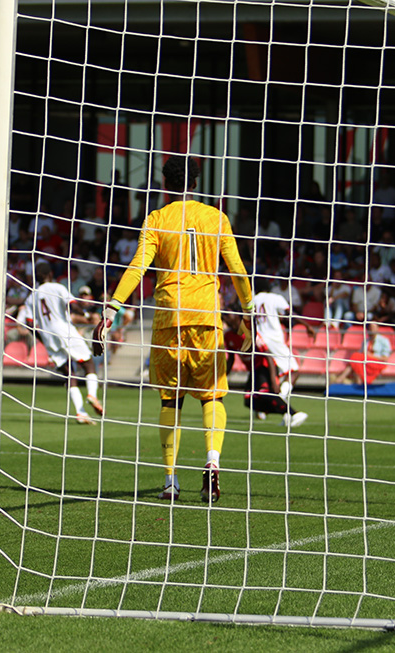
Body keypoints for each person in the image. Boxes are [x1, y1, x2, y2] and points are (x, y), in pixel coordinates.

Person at [93, 155, 254, 503]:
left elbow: (138, 267)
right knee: (213, 395)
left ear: (166, 185)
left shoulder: (157, 219)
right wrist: (248, 311)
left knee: (171, 398)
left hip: (168, 317)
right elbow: (238, 270)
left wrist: (112, 309)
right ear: (195, 183)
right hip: (206, 317)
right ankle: (212, 462)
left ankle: (170, 479)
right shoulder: (217, 218)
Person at [24, 260, 104, 425]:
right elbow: (72, 306)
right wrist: (88, 316)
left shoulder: (31, 296)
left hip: (48, 336)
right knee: (88, 363)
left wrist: (42, 339)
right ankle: (92, 395)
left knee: (68, 374)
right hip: (63, 329)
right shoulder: (57, 287)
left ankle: (80, 412)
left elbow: (29, 323)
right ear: (50, 274)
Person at [251, 277, 307, 428]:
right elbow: (290, 314)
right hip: (274, 340)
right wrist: (308, 325)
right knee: (294, 371)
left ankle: (280, 409)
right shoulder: (274, 298)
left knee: (271, 374)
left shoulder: (252, 300)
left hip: (259, 341)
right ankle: (277, 403)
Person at [331, 321, 393, 385]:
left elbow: (385, 359)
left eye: (373, 327)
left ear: (378, 328)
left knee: (355, 357)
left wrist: (371, 356)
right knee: (356, 360)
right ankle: (357, 382)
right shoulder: (366, 341)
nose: (371, 330)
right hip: (365, 362)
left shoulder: (384, 341)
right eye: (370, 328)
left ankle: (342, 378)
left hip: (377, 363)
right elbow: (361, 354)